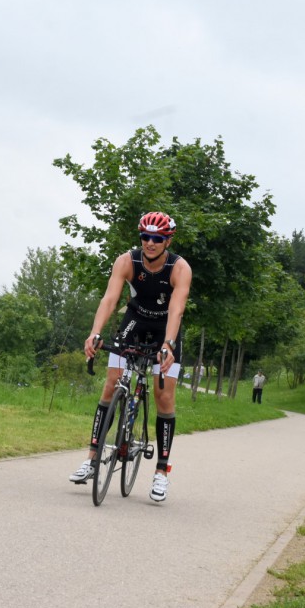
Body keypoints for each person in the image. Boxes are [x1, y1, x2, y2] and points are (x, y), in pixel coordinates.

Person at [69, 212, 193, 502]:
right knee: (111, 384)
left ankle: (161, 472)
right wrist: (95, 332)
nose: (150, 243)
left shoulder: (179, 268)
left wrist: (169, 345)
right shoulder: (127, 261)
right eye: (146, 237)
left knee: (164, 396)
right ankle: (91, 458)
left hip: (166, 328)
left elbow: (177, 310)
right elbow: (110, 299)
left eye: (157, 238)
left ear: (168, 240)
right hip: (134, 321)